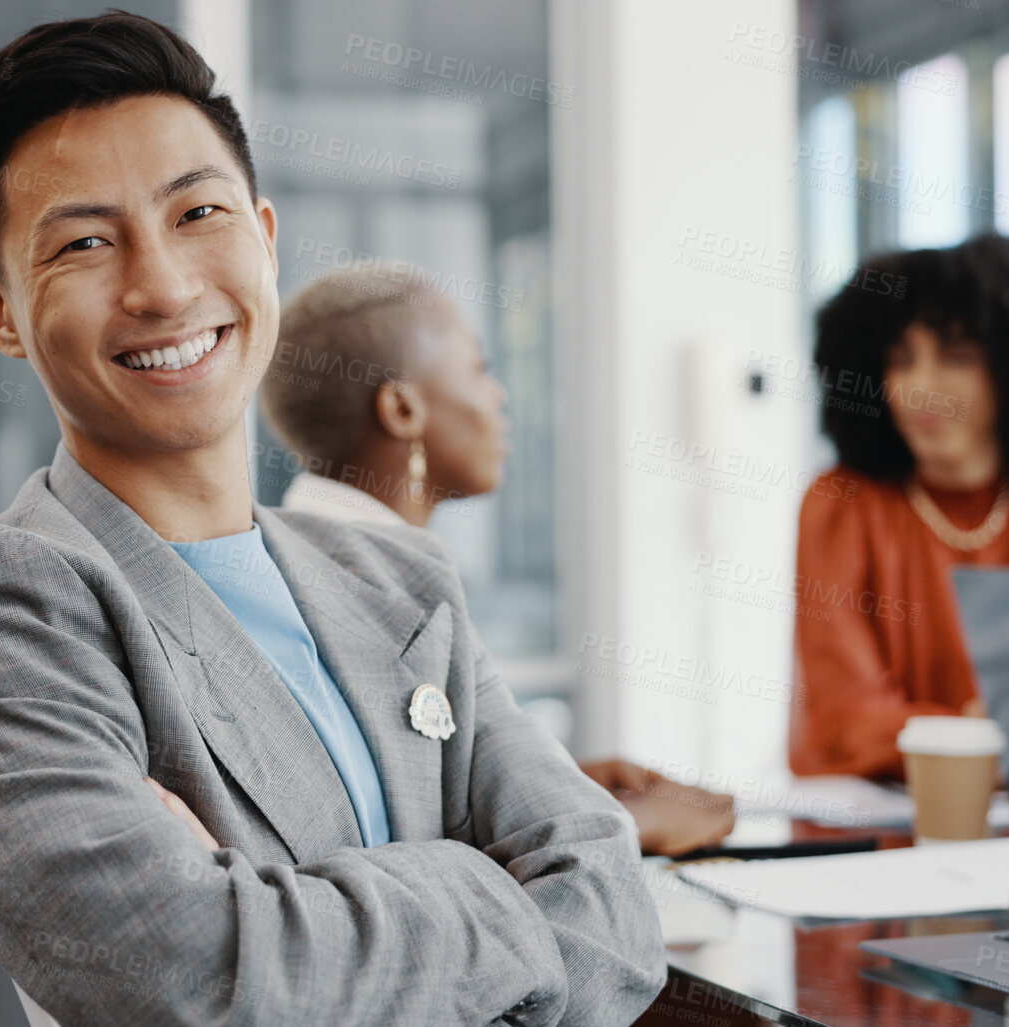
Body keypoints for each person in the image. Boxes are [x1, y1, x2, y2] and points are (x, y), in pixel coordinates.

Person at [0, 13, 666, 1026]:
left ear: (263, 235)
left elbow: (611, 913)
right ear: (1, 312)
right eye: (85, 242)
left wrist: (284, 911)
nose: (163, 286)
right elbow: (187, 973)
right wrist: (483, 881)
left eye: (198, 214)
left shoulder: (397, 581)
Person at [263, 269, 738, 855]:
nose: (499, 395)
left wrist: (547, 780)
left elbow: (415, 782)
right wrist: (623, 826)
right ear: (403, 409)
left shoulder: (329, 555)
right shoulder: (357, 588)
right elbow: (396, 840)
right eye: (479, 369)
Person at [788, 234, 1009, 780]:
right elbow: (842, 720)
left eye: (957, 357)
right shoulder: (841, 503)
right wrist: (977, 735)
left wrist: (952, 735)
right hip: (865, 831)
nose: (920, 388)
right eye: (900, 359)